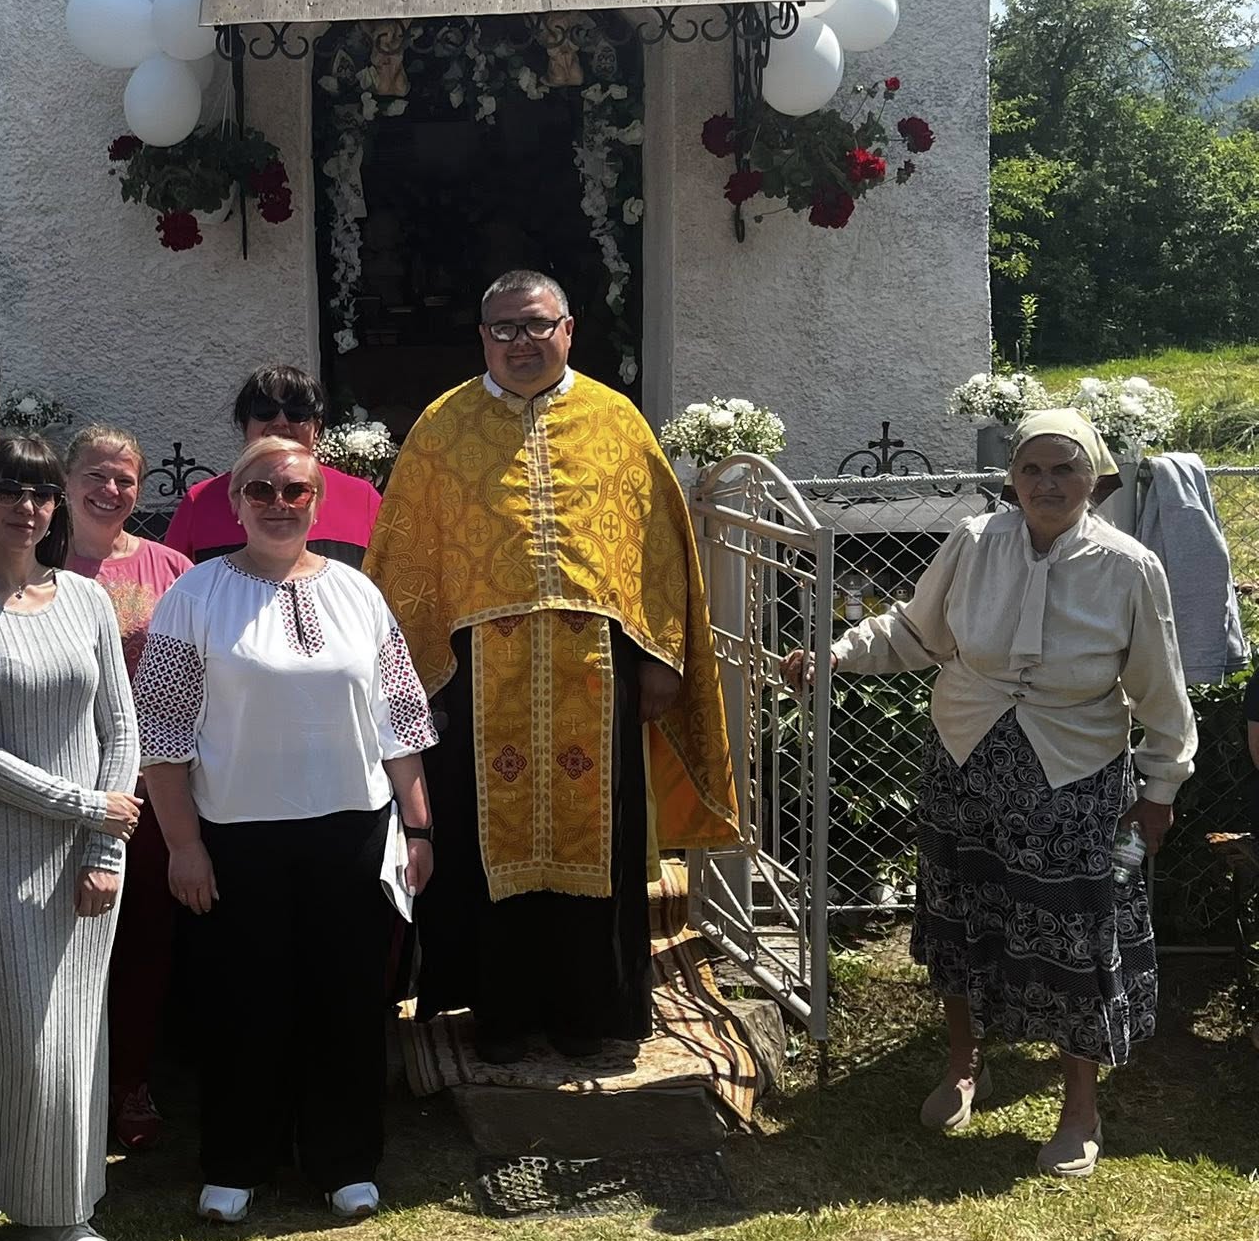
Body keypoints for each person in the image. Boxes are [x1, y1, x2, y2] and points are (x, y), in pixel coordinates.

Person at [783, 408, 1196, 1177]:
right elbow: (915, 633)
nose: (1047, 483)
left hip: (1074, 774)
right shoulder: (975, 542)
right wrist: (835, 654)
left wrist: (1161, 784)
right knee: (960, 913)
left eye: (1064, 469)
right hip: (965, 760)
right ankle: (964, 1065)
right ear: (1012, 479)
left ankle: (1080, 1108)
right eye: (1031, 469)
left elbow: (1160, 689)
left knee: (1076, 936)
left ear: (1094, 480)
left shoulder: (1129, 567)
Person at [364, 270, 739, 1062]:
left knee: (598, 844)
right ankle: (499, 1016)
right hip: (476, 676)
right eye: (504, 328)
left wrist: (661, 658)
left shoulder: (616, 421)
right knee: (480, 843)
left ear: (569, 330)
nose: (522, 342)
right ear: (482, 338)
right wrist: (406, 678)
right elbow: (406, 556)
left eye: (538, 325)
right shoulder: (443, 426)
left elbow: (657, 551)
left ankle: (591, 1013)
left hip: (597, 672)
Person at [136, 435, 436, 1224]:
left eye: (294, 491)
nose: (278, 504)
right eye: (261, 490)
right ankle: (238, 1160)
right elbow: (161, 734)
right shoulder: (195, 595)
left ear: (317, 502)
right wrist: (185, 845)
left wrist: (419, 829)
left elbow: (401, 719)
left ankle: (345, 1161)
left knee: (346, 1001)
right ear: (235, 503)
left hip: (352, 830)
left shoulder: (357, 593)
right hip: (237, 836)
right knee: (245, 1002)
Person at [0, 436, 141, 1241]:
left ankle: (60, 1211)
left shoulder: (85, 601)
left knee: (75, 1036)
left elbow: (120, 731)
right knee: (23, 1039)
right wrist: (88, 805)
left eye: (42, 493)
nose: (27, 507)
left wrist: (103, 848)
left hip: (90, 856)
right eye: (9, 490)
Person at [60, 424, 193, 1150]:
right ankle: (68, 1090)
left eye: (125, 480)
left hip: (149, 788)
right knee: (67, 943)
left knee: (144, 938)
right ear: (66, 479)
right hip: (59, 786)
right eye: (96, 475)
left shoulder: (171, 568)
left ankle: (132, 1082)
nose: (110, 490)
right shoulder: (37, 562)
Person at [163, 366, 382, 566]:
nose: (281, 422)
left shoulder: (362, 499)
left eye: (297, 411)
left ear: (316, 428)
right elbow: (170, 584)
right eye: (265, 409)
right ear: (244, 424)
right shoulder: (201, 502)